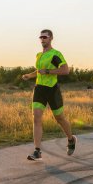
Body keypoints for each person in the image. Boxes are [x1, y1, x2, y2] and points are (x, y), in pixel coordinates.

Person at [22, 29, 77, 160]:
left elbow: (65, 70)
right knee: (36, 117)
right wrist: (29, 75)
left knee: (60, 118)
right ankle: (37, 151)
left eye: (45, 37)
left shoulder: (55, 54)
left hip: (52, 90)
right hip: (39, 89)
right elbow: (38, 71)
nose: (42, 39)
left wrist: (47, 71)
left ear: (51, 38)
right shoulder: (38, 55)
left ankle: (71, 139)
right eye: (41, 37)